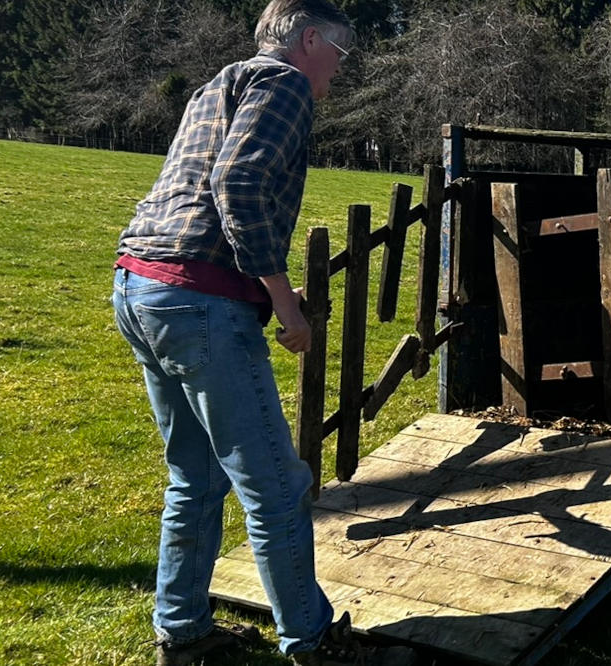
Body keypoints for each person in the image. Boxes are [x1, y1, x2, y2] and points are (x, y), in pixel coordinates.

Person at [111, 2, 408, 664]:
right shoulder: (285, 84)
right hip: (195, 303)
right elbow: (238, 185)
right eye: (340, 50)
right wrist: (284, 303)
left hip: (142, 287)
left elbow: (197, 202)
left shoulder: (219, 83)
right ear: (308, 40)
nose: (340, 65)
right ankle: (313, 643)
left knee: (195, 477)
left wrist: (261, 287)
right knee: (277, 487)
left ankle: (182, 635)